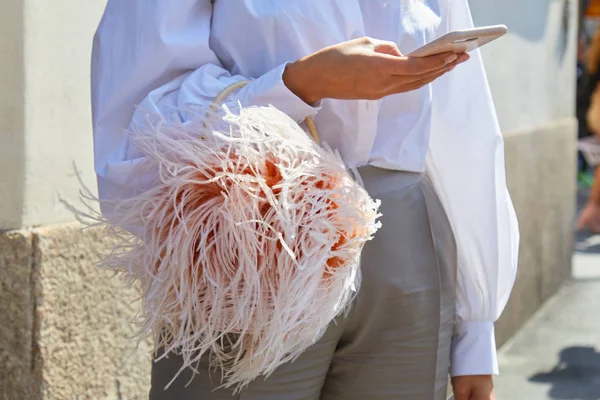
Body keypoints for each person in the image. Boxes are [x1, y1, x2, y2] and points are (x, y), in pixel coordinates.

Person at [91, 1, 519, 399]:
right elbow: (139, 112)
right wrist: (299, 83)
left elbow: (461, 118)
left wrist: (476, 330)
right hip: (255, 232)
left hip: (406, 245)